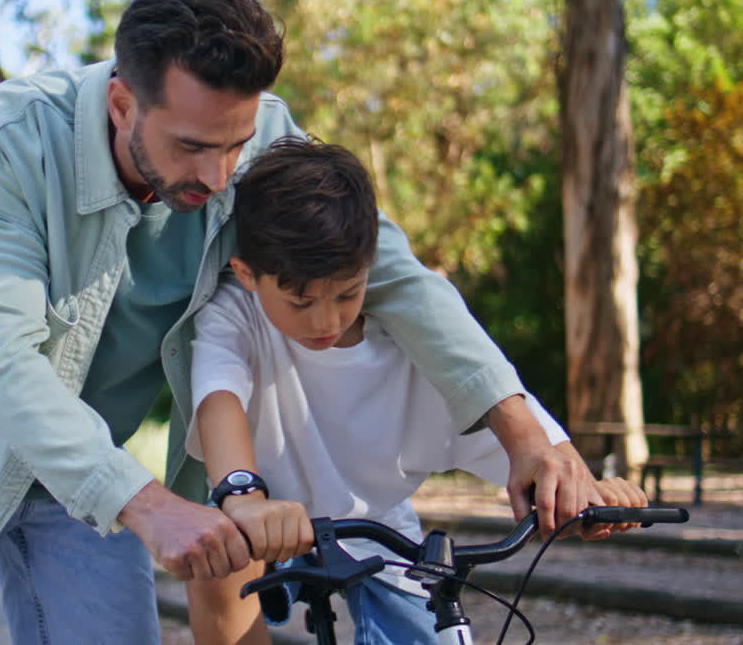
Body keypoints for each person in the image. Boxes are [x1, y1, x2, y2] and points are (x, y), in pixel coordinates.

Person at [0, 0, 605, 644]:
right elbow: (1, 360)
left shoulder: (261, 142)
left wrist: (526, 437)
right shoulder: (12, 136)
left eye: (234, 146)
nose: (218, 177)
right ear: (123, 103)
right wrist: (150, 506)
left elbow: (399, 278)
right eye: (190, 147)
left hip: (91, 454)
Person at [183, 136, 647, 645]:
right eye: (300, 300)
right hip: (268, 519)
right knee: (219, 557)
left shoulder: (412, 344)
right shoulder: (234, 315)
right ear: (248, 274)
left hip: (376, 526)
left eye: (347, 293)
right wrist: (242, 494)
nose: (328, 319)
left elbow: (519, 429)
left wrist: (582, 492)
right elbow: (218, 394)